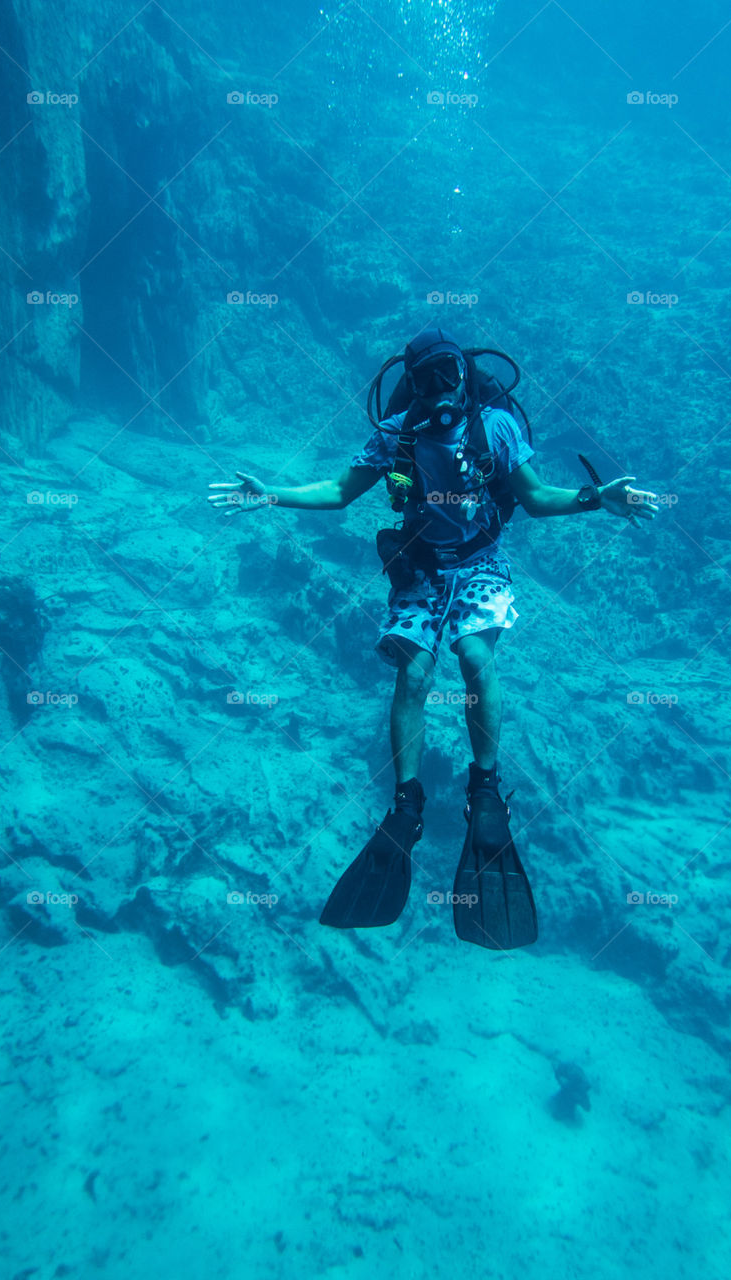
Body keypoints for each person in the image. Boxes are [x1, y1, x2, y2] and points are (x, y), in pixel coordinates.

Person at [209, 328, 658, 949]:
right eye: (425, 379)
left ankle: (485, 786)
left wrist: (594, 498)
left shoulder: (494, 427)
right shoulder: (396, 434)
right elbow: (341, 491)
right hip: (421, 566)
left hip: (479, 563)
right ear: (411, 384)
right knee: (413, 673)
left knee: (475, 656)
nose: (439, 389)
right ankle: (406, 803)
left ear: (464, 375)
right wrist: (272, 496)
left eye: (449, 374)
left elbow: (535, 496)